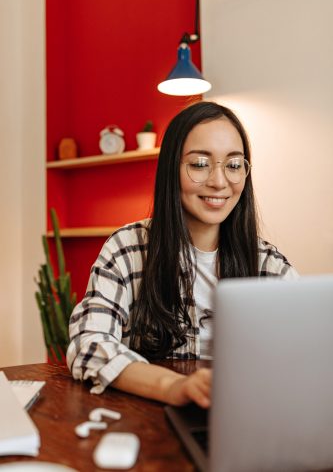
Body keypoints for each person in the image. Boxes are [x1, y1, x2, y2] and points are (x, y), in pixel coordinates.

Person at [66, 101, 298, 409]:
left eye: (233, 164)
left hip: (247, 417)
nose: (219, 181)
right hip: (150, 417)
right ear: (171, 168)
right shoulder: (127, 249)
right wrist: (174, 387)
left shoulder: (268, 265)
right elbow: (89, 344)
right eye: (200, 164)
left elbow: (311, 352)